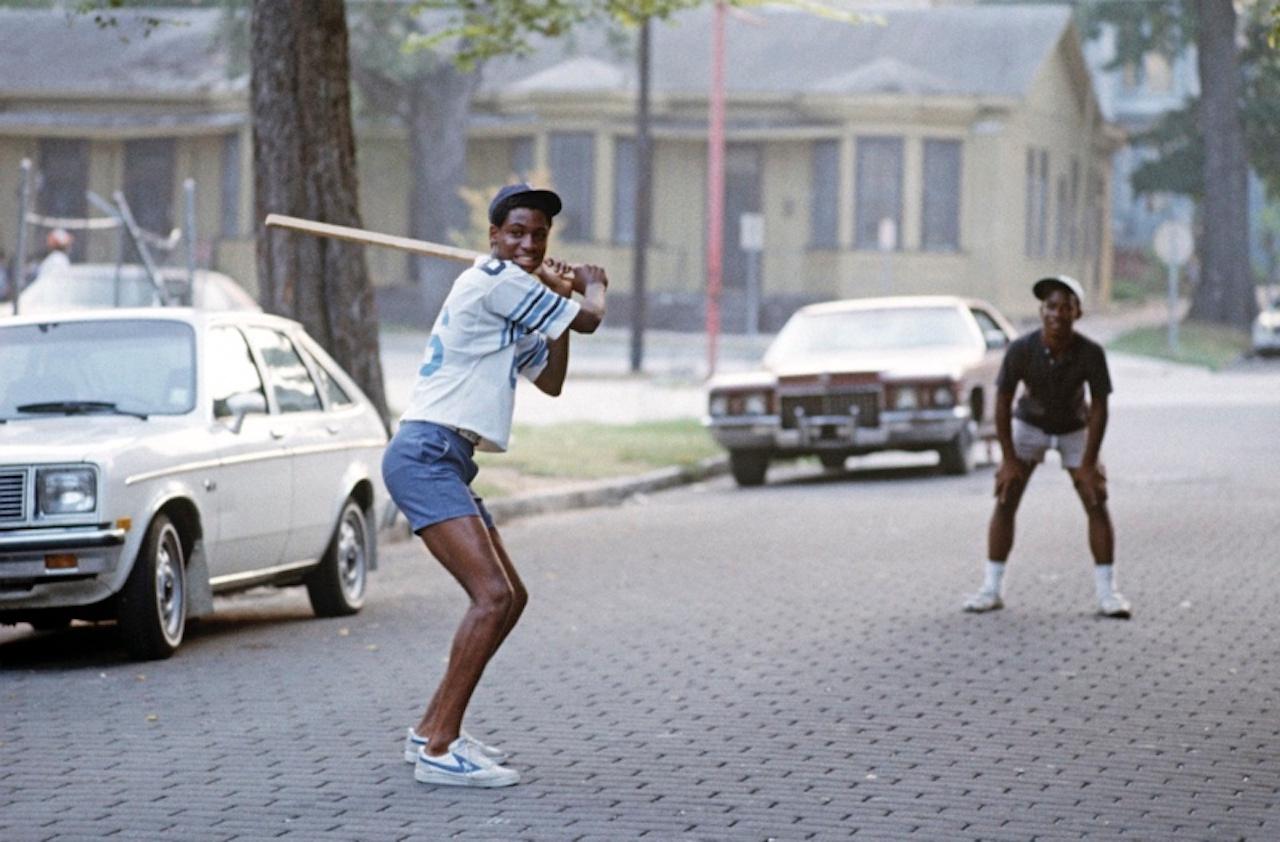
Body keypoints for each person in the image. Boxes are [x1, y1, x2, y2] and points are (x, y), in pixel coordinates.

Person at [382, 183, 608, 788]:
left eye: (539, 234)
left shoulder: (516, 297)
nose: (529, 244)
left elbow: (551, 380)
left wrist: (558, 304)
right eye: (516, 233)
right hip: (425, 451)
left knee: (512, 595)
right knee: (493, 598)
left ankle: (429, 729)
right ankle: (439, 749)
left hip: (449, 457)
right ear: (493, 237)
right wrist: (589, 284)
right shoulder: (492, 280)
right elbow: (591, 319)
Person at [962, 275, 1131, 619]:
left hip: (1073, 426)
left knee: (1095, 498)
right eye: (1051, 306)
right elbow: (1002, 402)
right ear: (1041, 311)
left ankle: (1107, 593)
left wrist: (1089, 460)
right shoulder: (1021, 350)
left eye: (1065, 307)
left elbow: (1099, 407)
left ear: (1077, 313)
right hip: (1031, 424)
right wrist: (1008, 459)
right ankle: (991, 588)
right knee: (1006, 496)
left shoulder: (1090, 353)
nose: (1057, 313)